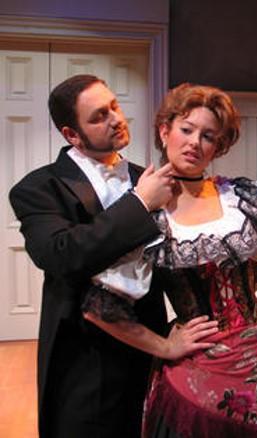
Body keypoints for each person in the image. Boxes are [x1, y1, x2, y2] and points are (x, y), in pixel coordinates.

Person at [85, 82, 257, 437]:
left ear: (218, 147)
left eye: (208, 136)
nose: (195, 143)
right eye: (187, 129)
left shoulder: (237, 197)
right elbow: (100, 308)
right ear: (164, 131)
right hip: (197, 370)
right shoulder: (146, 210)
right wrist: (166, 346)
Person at [8, 74, 216, 438]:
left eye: (114, 106)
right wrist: (140, 203)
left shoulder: (149, 177)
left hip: (151, 349)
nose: (116, 119)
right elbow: (62, 255)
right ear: (72, 135)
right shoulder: (37, 188)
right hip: (85, 360)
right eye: (99, 116)